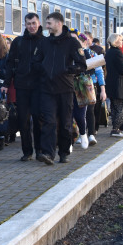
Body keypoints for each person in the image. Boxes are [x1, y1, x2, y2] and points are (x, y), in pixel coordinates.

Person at [34, 12, 86, 165]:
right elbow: (36, 61)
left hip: (65, 88)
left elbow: (81, 65)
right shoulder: (44, 43)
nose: (47, 26)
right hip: (47, 89)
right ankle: (48, 153)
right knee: (49, 121)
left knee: (65, 122)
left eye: (49, 23)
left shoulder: (72, 43)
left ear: (58, 23)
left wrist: (67, 70)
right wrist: (44, 69)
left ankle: (64, 152)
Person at [2, 13, 44, 161]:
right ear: (25, 25)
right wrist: (7, 83)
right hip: (21, 86)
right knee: (23, 120)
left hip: (39, 87)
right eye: (28, 24)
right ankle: (27, 151)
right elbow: (10, 63)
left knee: (39, 120)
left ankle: (39, 150)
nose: (31, 26)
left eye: (33, 23)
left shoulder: (45, 42)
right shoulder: (18, 42)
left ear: (39, 23)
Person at [72, 32, 106, 149]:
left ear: (84, 42)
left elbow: (99, 71)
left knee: (89, 111)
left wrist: (102, 89)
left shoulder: (91, 54)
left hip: (88, 85)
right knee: (72, 112)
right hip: (71, 85)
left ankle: (90, 134)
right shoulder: (67, 53)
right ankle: (78, 134)